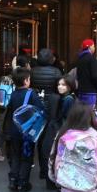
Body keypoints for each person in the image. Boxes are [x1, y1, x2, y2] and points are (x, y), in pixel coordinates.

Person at [5, 67, 44, 192]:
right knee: (26, 157)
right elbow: (40, 109)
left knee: (15, 155)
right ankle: (22, 184)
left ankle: (13, 180)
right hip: (27, 132)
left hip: (14, 131)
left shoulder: (14, 94)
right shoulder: (31, 94)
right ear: (26, 81)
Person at [42, 75, 76, 192]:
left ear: (70, 86)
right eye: (59, 84)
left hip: (64, 133)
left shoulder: (67, 99)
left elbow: (64, 118)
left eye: (63, 85)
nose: (60, 87)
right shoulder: (67, 98)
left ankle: (63, 191)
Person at [31, 48, 62, 181]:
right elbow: (59, 87)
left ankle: (43, 170)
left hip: (36, 105)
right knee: (50, 139)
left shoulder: (32, 71)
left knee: (39, 136)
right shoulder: (56, 71)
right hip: (52, 107)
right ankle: (48, 169)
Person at [76, 39, 97, 107]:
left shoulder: (80, 59)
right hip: (90, 92)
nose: (94, 48)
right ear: (90, 47)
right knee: (89, 113)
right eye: (93, 46)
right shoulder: (92, 59)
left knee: (83, 112)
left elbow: (78, 75)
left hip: (81, 91)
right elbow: (94, 76)